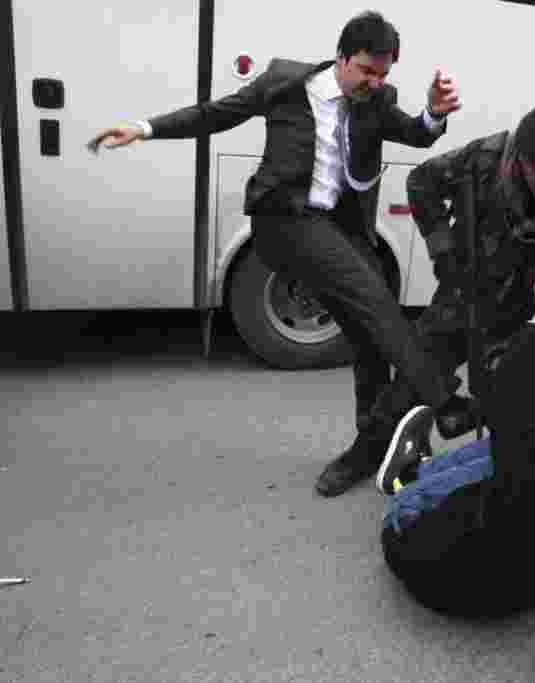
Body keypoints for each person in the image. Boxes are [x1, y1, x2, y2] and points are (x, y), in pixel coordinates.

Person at [87, 11, 465, 453]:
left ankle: (371, 443)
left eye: (383, 75)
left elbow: (417, 134)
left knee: (368, 336)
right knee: (375, 298)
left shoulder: (377, 100)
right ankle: (446, 402)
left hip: (339, 229)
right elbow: (215, 115)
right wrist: (145, 128)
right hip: (283, 222)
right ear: (341, 58)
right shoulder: (285, 84)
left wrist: (433, 114)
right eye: (367, 71)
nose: (375, 82)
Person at [314, 98, 535, 497]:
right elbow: (422, 182)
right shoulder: (486, 159)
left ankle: (518, 478)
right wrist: (445, 256)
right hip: (466, 296)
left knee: (529, 403)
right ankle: (365, 453)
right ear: (520, 155)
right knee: (414, 378)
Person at [376, 271, 535, 617]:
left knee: (487, 460)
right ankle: (420, 471)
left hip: (442, 581)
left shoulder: (529, 454)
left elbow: (506, 394)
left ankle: (404, 479)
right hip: (528, 592)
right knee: (524, 447)